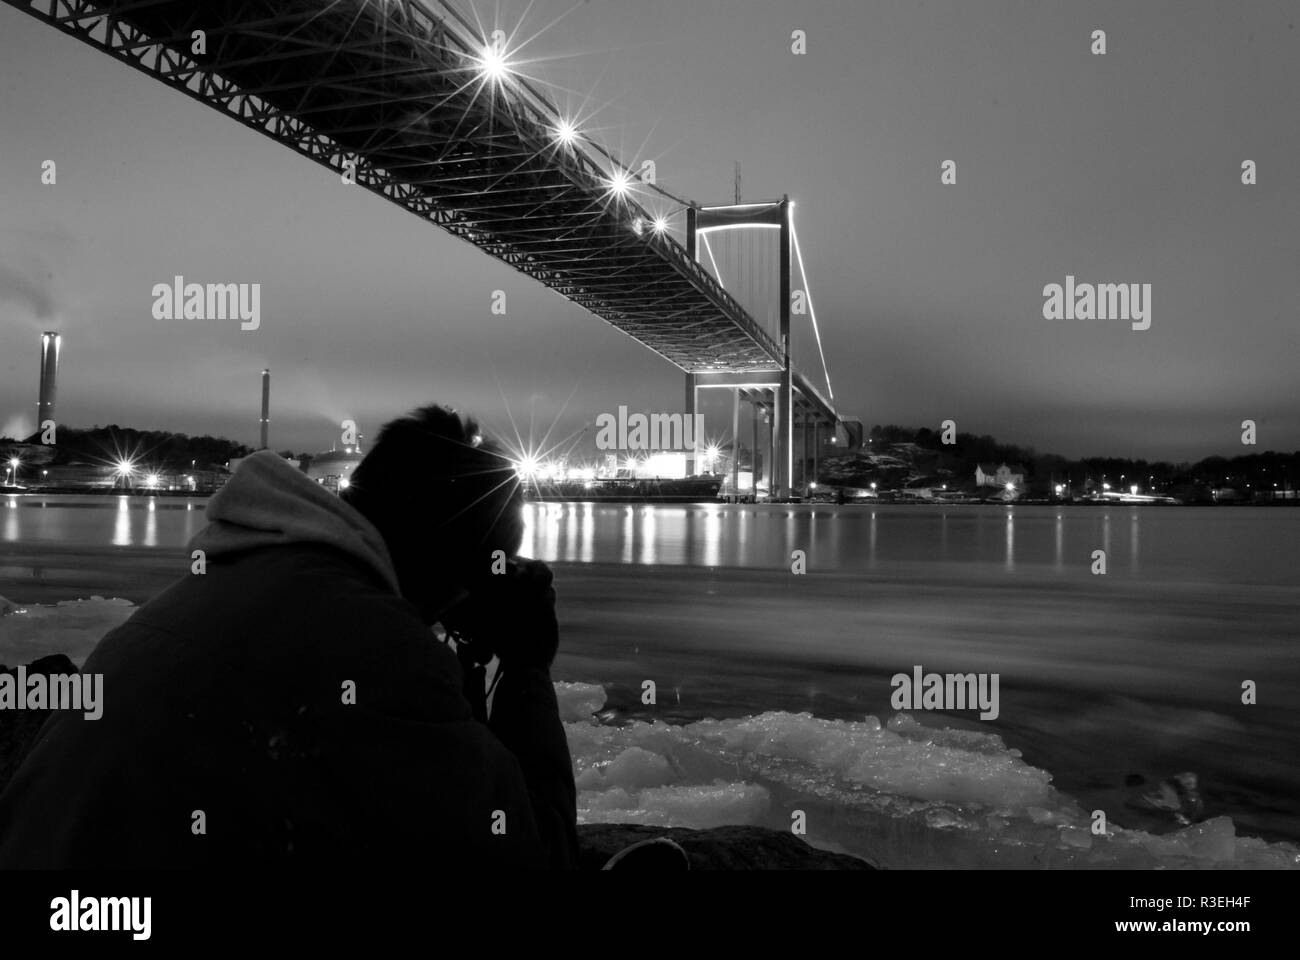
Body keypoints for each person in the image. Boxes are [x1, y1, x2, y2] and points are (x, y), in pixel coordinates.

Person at [0, 405, 577, 869]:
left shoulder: (236, 577)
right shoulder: (373, 647)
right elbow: (528, 857)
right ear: (456, 569)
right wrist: (525, 665)